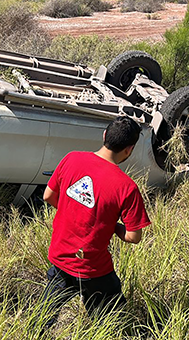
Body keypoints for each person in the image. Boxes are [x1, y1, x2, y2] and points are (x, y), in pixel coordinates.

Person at [40, 116, 151, 328]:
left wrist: (73, 210)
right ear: (129, 149)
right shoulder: (127, 188)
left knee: (43, 318)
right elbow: (133, 237)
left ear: (104, 136)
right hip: (94, 269)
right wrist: (113, 226)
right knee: (111, 323)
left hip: (60, 258)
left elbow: (48, 196)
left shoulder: (71, 158)